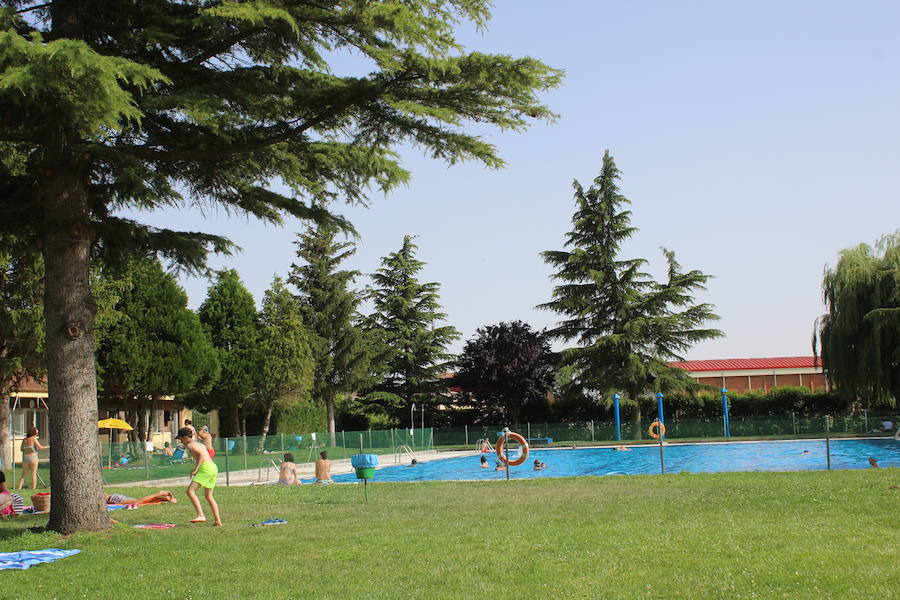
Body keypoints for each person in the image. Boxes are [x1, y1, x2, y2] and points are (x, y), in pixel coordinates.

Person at [176, 427, 221, 526]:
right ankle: (218, 521)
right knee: (209, 496)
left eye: (181, 439)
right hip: (213, 467)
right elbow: (204, 453)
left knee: (190, 491)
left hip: (206, 468)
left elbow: (201, 455)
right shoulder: (198, 443)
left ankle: (201, 515)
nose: (181, 442)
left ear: (185, 437)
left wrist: (196, 469)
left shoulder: (190, 445)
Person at [105, 490, 178, 506]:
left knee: (137, 502)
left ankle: (160, 495)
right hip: (113, 498)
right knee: (139, 502)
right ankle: (163, 498)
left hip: (112, 499)